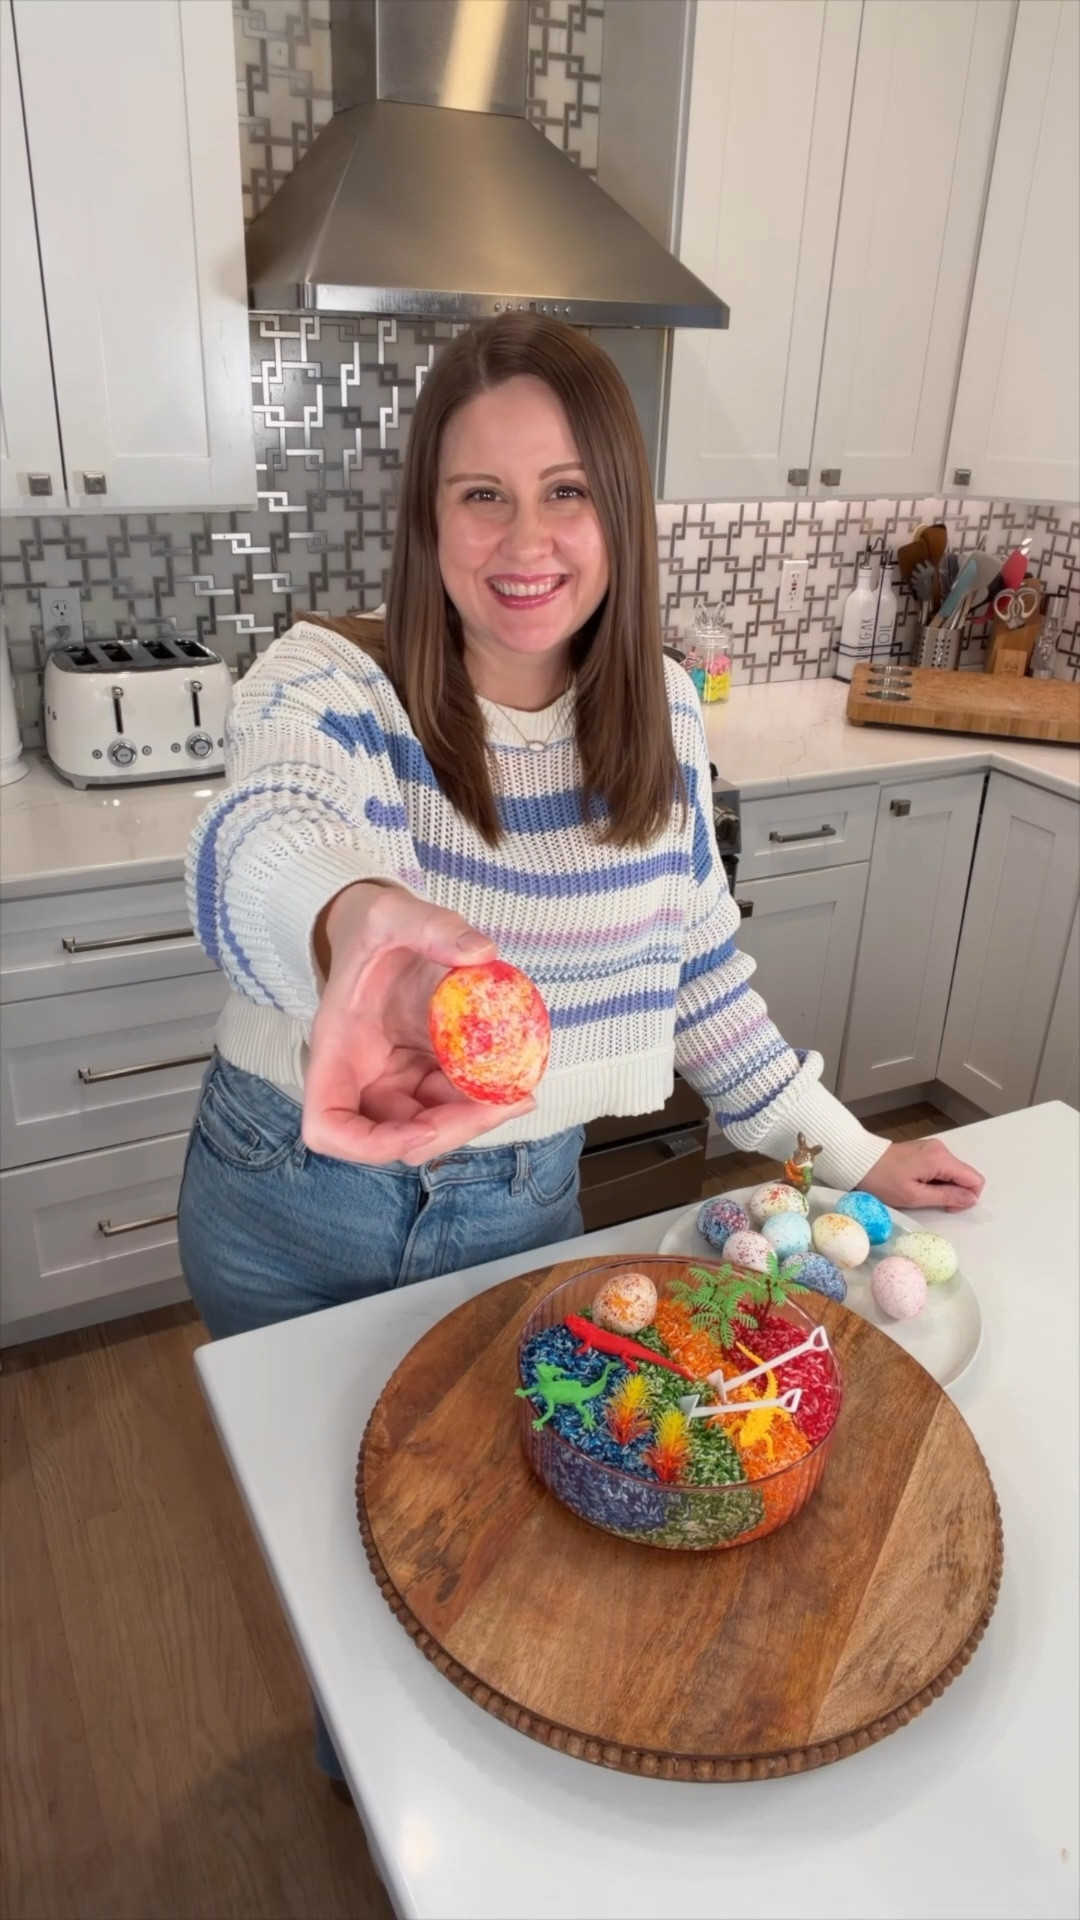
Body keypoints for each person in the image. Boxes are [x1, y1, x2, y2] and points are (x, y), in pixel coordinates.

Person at [179, 313, 983, 1777]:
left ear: (621, 509)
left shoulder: (664, 715)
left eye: (567, 490)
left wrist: (860, 1152)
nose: (524, 537)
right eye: (480, 493)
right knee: (326, 1522)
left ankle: (447, 1778)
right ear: (428, 520)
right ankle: (350, 1769)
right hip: (295, 1195)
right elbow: (259, 838)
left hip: (520, 1202)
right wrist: (352, 919)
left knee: (487, 1521)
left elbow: (701, 985)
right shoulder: (336, 691)